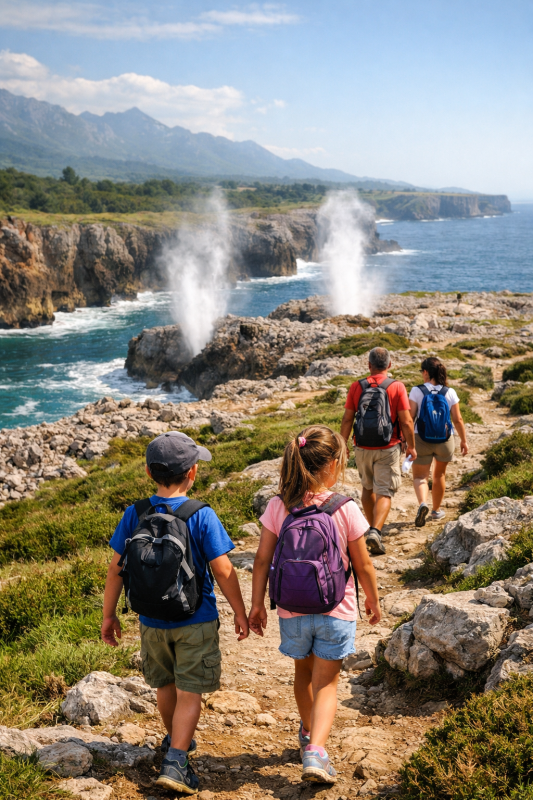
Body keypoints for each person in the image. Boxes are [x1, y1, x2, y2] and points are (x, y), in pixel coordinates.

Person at [101, 431, 249, 795]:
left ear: (150, 474)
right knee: (190, 691)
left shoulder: (134, 513)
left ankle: (173, 742)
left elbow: (114, 568)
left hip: (151, 621)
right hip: (195, 620)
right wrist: (241, 612)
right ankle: (178, 761)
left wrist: (109, 616)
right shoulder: (201, 514)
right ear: (193, 472)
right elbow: (224, 569)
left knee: (165, 686)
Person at [248, 425, 381, 785]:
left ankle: (308, 734)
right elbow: (363, 562)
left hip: (291, 608)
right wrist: (372, 597)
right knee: (327, 683)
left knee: (303, 675)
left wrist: (257, 604)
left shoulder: (279, 506)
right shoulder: (345, 508)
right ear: (333, 465)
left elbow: (261, 560)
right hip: (336, 608)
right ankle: (317, 752)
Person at [340, 347, 417, 555]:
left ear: (369, 365)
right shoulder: (397, 386)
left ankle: (371, 526)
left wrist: (343, 444)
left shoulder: (357, 386)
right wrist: (411, 445)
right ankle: (375, 530)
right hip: (388, 446)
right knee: (384, 490)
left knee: (367, 487)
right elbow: (406, 421)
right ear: (389, 365)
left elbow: (348, 418)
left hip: (362, 446)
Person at [409, 357, 468, 526]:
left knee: (420, 476)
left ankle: (422, 504)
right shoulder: (449, 392)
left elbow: (410, 417)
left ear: (426, 372)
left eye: (422, 372)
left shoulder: (416, 391)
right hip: (445, 439)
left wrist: (406, 441)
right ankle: (435, 511)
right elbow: (458, 419)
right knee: (439, 475)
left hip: (421, 438)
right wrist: (464, 441)